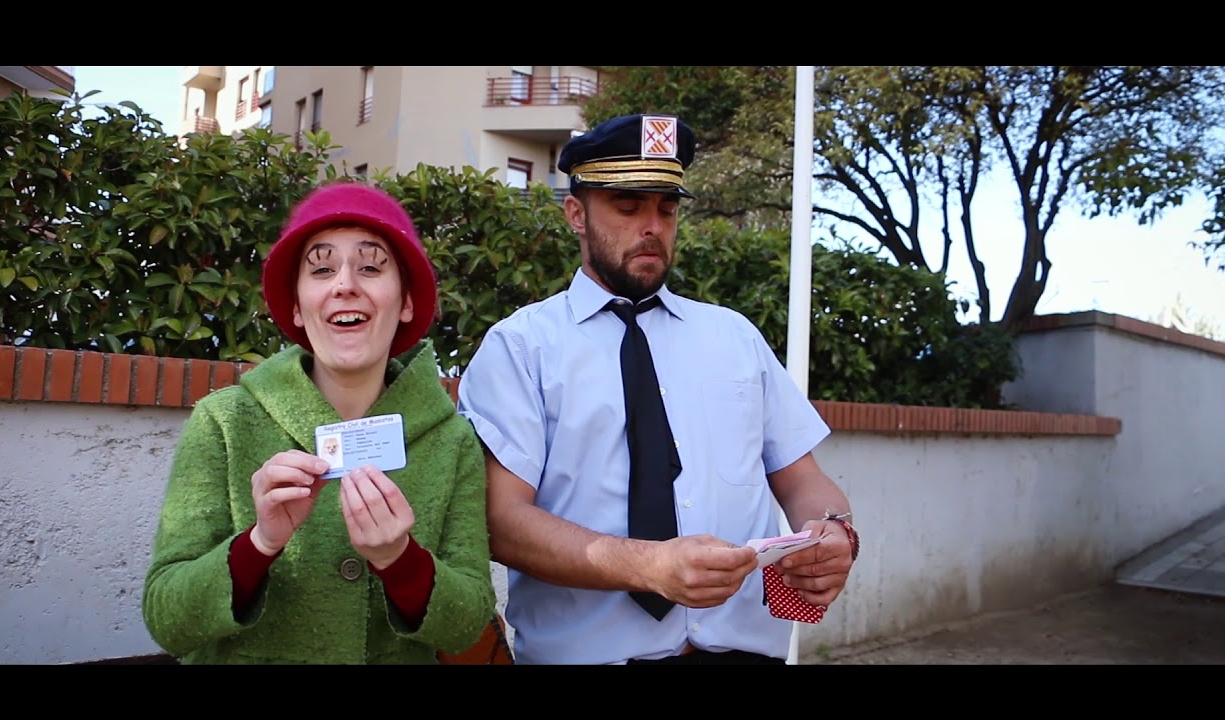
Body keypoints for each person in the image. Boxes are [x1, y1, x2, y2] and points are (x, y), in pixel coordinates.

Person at [456, 114, 859, 665]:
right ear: (575, 214)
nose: (652, 226)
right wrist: (646, 566)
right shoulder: (521, 348)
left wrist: (834, 532)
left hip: (745, 653)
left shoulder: (734, 337)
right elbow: (501, 522)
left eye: (666, 209)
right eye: (628, 207)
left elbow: (803, 479)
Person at [143, 181, 496, 664]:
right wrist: (260, 543)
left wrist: (399, 560)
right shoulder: (223, 422)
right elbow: (166, 620)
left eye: (370, 267)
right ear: (296, 304)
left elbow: (468, 624)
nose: (344, 284)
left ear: (406, 302)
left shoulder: (451, 440)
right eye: (322, 269)